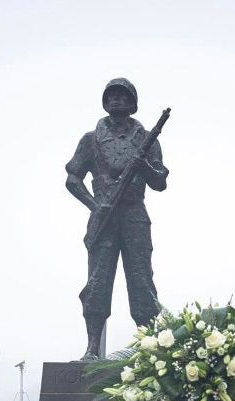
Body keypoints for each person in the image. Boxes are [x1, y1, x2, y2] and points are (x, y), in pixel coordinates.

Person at [65, 78, 169, 360]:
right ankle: (91, 348)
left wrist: (143, 164)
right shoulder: (90, 139)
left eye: (123, 96)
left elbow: (160, 182)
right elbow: (72, 177)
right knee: (97, 283)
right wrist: (93, 205)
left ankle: (150, 350)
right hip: (103, 218)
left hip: (134, 215)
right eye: (111, 95)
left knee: (142, 283)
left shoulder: (148, 140)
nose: (117, 100)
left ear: (133, 103)